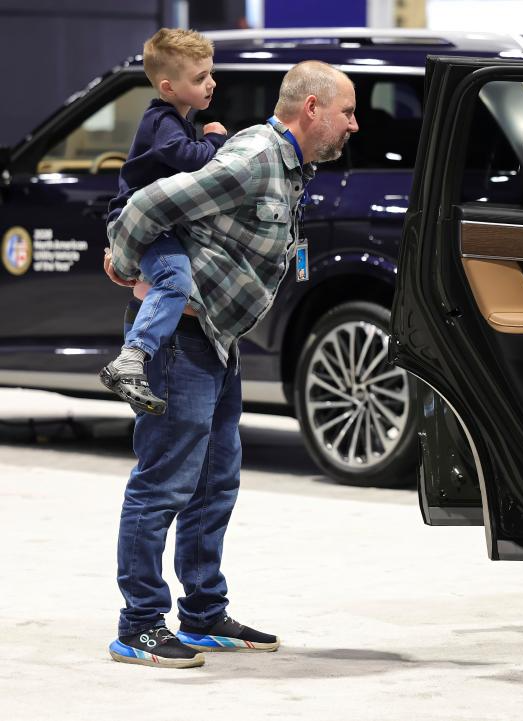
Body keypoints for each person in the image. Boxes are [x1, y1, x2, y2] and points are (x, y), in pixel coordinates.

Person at [103, 60, 359, 668]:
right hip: (180, 341)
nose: (354, 125)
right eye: (347, 112)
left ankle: (202, 613)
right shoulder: (254, 157)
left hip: (217, 339)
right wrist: (125, 262)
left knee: (215, 482)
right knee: (163, 483)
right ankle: (139, 625)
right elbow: (147, 203)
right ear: (312, 108)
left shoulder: (293, 169)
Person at [99, 28, 228, 416]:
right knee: (174, 278)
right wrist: (215, 141)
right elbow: (188, 158)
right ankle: (132, 358)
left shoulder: (175, 120)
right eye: (200, 78)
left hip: (157, 226)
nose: (211, 83)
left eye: (210, 73)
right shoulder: (163, 121)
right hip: (140, 225)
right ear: (168, 87)